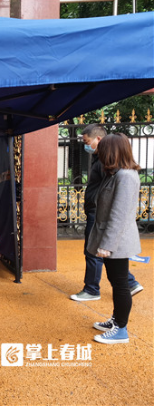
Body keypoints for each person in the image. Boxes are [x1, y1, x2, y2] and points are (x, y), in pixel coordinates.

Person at [70, 124, 142, 301]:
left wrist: (106, 244)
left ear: (100, 141)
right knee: (113, 269)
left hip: (100, 214)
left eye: (87, 142)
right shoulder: (105, 164)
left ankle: (92, 289)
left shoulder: (119, 172)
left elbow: (118, 212)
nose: (86, 146)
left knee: (96, 254)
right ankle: (130, 283)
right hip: (98, 213)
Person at [87, 133, 142, 344]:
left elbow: (119, 215)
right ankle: (116, 320)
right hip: (112, 239)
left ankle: (121, 329)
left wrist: (107, 245)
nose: (99, 154)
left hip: (117, 241)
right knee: (116, 281)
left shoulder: (125, 176)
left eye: (102, 150)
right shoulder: (115, 173)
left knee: (120, 284)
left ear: (112, 151)